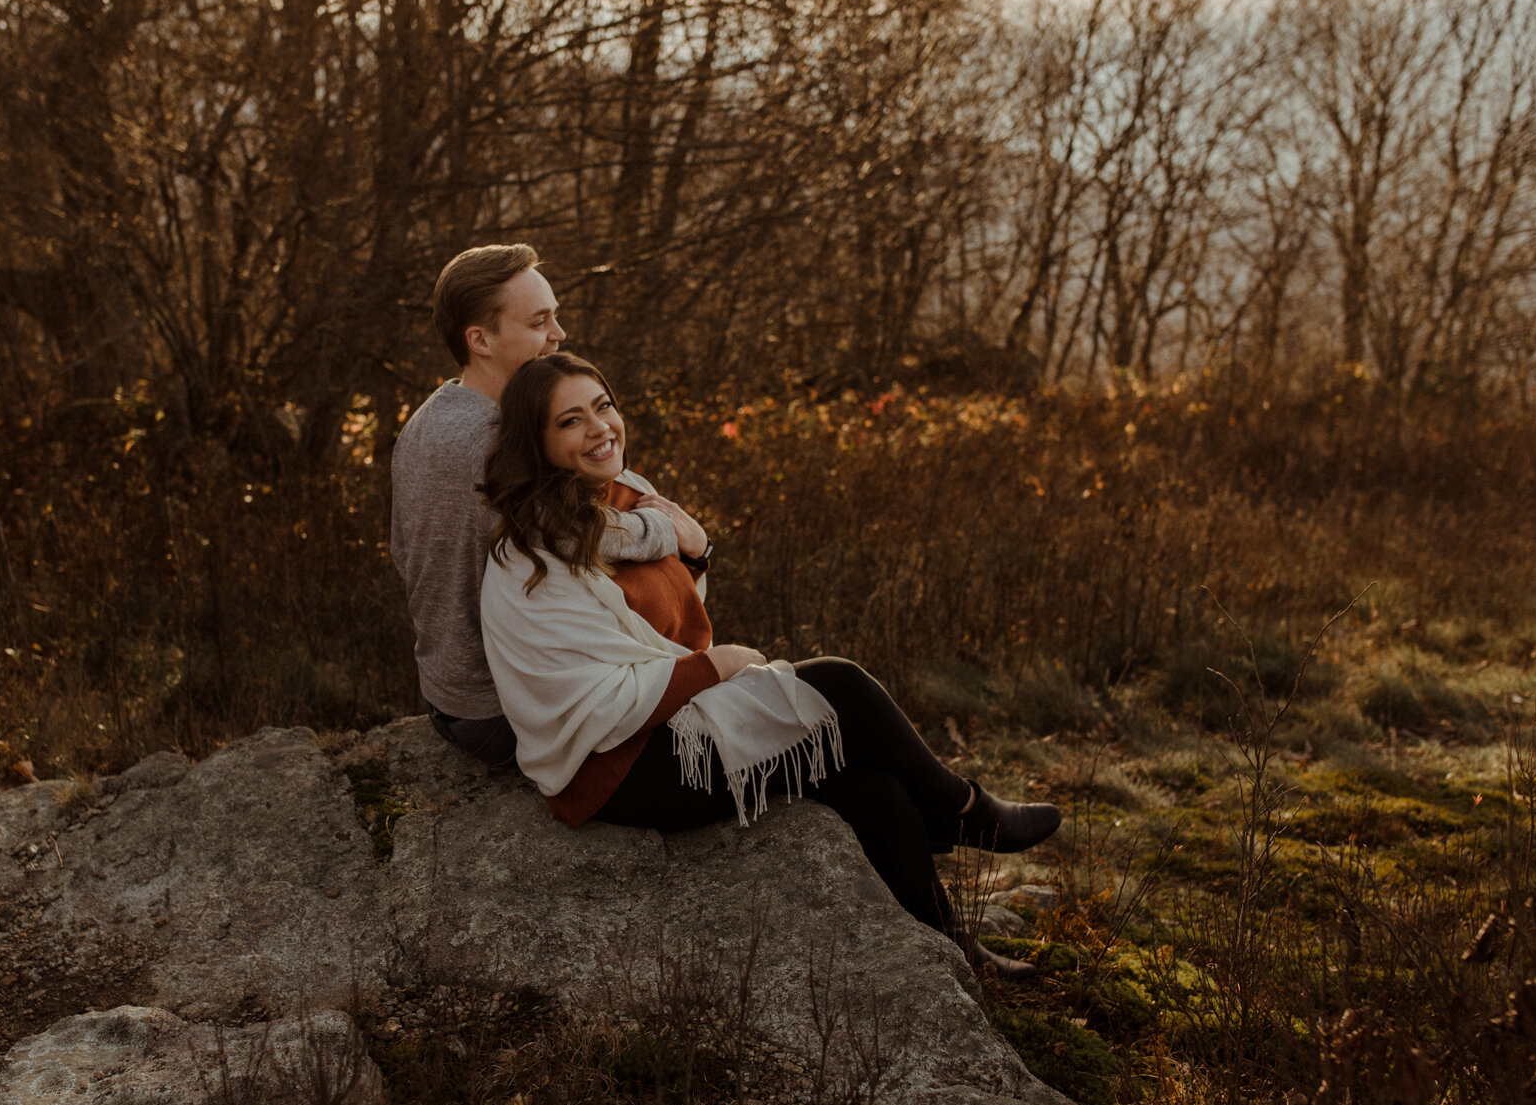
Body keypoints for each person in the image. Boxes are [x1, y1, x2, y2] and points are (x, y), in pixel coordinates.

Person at [478, 353, 1060, 976]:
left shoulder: (628, 506)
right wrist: (716, 668)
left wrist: (696, 556)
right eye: (571, 421)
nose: (600, 428)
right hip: (617, 768)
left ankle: (954, 951)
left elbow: (657, 622)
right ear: (538, 444)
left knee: (871, 784)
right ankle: (963, 810)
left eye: (603, 406)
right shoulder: (529, 560)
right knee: (837, 683)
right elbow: (590, 699)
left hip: (672, 724)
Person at [390, 245, 678, 768]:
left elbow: (402, 555)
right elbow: (579, 535)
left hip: (445, 691)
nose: (559, 334)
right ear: (480, 340)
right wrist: (666, 527)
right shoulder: (500, 442)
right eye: (540, 321)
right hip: (503, 710)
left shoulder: (429, 418)